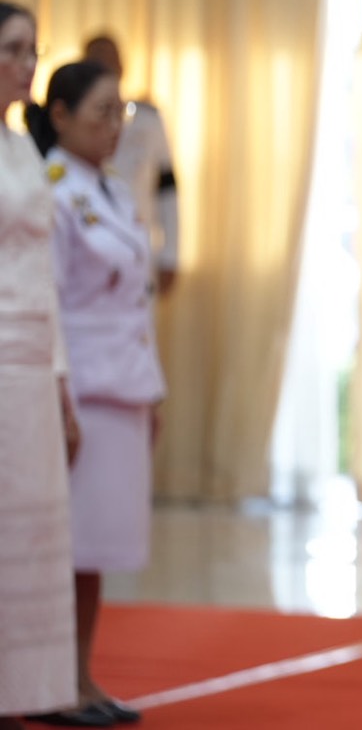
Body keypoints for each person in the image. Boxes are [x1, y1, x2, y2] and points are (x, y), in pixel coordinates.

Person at [26, 60, 166, 727]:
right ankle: (54, 683)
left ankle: (82, 677)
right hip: (81, 386)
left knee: (97, 552)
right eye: (101, 113)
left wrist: (153, 388)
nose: (114, 127)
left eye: (120, 114)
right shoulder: (52, 189)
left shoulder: (110, 190)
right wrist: (57, 393)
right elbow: (45, 300)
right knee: (68, 552)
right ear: (60, 116)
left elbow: (138, 299)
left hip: (123, 384)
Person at [0, 1, 81, 730]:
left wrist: (60, 378)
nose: (28, 64)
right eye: (14, 49)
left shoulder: (24, 143)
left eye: (33, 49)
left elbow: (42, 271)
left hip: (31, 354)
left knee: (30, 528)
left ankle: (23, 687)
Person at [80, 33, 179, 297]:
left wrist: (171, 253)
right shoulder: (72, 123)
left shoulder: (146, 119)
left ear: (123, 66)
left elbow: (167, 188)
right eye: (96, 61)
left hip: (136, 244)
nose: (104, 68)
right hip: (86, 253)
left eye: (110, 60)